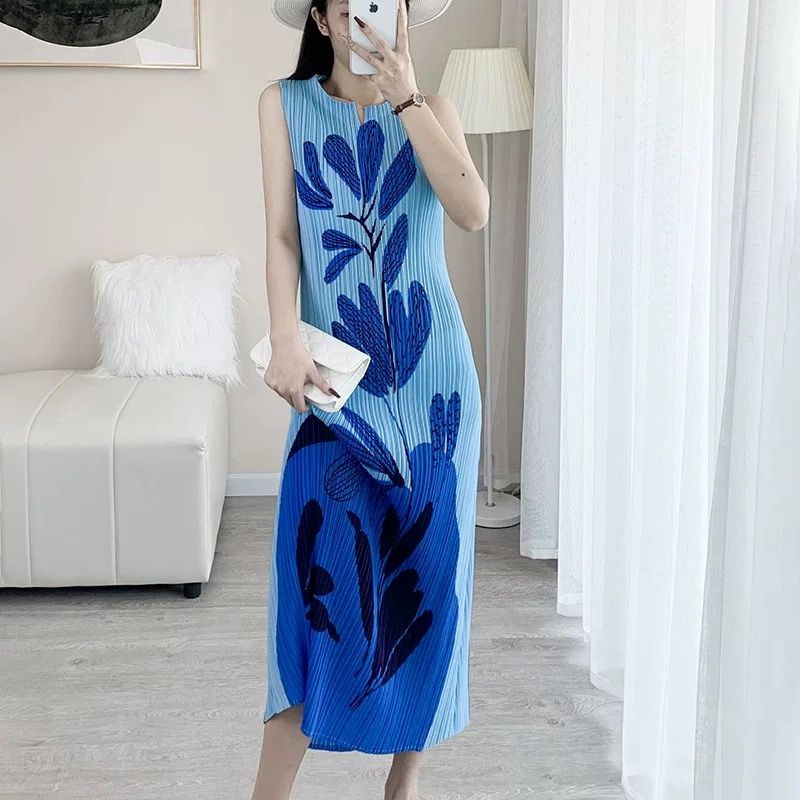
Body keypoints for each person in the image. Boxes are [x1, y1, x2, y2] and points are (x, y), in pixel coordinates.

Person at [252, 1, 488, 797]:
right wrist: (284, 333)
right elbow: (282, 234)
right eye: (352, 8)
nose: (369, 22)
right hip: (335, 388)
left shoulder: (432, 108)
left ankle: (403, 784)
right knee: (313, 593)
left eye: (386, 4)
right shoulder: (282, 105)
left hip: (434, 388)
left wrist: (407, 99)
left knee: (430, 582)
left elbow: (473, 211)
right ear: (322, 20)